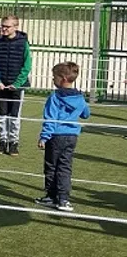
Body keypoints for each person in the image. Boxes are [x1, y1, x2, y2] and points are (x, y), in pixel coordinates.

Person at [37, 61, 90, 213]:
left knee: (52, 166)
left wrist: (44, 137)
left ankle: (51, 196)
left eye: (54, 77)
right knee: (65, 167)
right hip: (72, 136)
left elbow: (51, 118)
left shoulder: (54, 97)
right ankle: (64, 199)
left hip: (56, 136)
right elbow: (86, 114)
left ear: (63, 78)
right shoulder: (79, 96)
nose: (53, 80)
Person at [0, 14, 31, 156]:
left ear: (16, 27)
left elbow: (27, 66)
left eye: (7, 27)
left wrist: (17, 83)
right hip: (1, 86)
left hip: (16, 87)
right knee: (2, 115)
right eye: (2, 26)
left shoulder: (23, 43)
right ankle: (2, 141)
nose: (3, 29)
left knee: (14, 116)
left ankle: (13, 142)